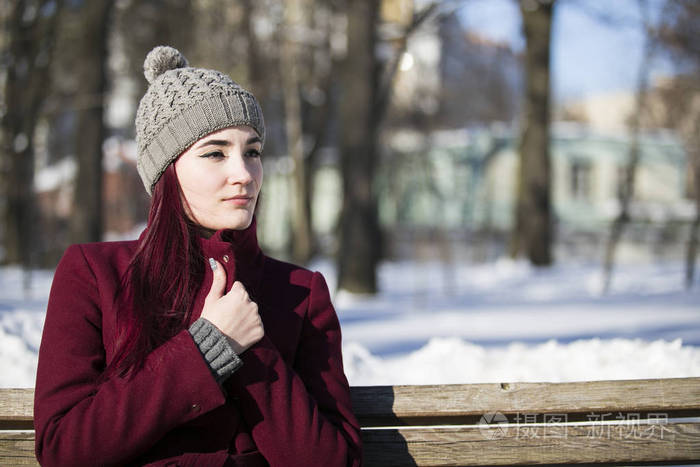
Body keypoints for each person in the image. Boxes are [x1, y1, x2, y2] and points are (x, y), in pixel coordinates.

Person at [33, 46, 363, 467]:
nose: (244, 173)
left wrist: (253, 352)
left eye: (253, 151)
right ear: (166, 171)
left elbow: (334, 461)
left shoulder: (300, 292)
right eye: (215, 153)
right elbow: (65, 449)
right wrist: (208, 347)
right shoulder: (95, 274)